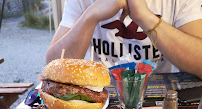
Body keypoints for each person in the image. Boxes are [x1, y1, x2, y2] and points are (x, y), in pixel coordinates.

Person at [46, 0, 202, 79]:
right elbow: (54, 66)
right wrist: (90, 15)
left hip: (158, 96)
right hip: (102, 92)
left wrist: (144, 17)